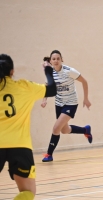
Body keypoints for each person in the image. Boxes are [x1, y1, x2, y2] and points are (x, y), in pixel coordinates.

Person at [0, 54, 57, 200]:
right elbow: (51, 89)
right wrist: (48, 70)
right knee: (28, 192)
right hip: (20, 146)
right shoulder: (25, 87)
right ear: (12, 71)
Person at [41, 50, 92, 162]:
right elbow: (47, 87)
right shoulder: (50, 73)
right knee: (64, 130)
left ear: (61, 60)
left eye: (58, 58)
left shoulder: (69, 71)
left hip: (71, 103)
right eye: (53, 59)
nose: (56, 61)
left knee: (56, 128)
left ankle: (49, 154)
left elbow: (84, 82)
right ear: (50, 61)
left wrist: (86, 98)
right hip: (59, 103)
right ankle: (85, 130)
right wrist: (44, 100)